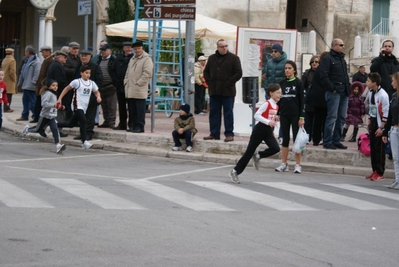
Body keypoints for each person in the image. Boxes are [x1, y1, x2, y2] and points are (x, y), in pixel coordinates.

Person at [229, 84, 281, 184]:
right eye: (278, 93)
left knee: (275, 148)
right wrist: (268, 122)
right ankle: (235, 171)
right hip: (260, 129)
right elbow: (257, 115)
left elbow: (270, 118)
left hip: (268, 131)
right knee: (249, 152)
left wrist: (272, 124)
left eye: (280, 93)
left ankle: (258, 155)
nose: (280, 95)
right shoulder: (267, 103)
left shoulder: (276, 106)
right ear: (271, 93)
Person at [203, 39, 242, 142]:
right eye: (222, 46)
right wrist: (209, 82)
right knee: (214, 112)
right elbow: (206, 71)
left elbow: (238, 73)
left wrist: (229, 82)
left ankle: (229, 134)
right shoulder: (211, 58)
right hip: (214, 90)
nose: (224, 48)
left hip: (228, 91)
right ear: (218, 48)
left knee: (228, 113)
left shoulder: (234, 58)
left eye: (226, 46)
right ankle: (214, 133)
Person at [56, 65, 102, 149]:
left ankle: (54, 124)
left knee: (70, 124)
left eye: (89, 73)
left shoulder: (91, 83)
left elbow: (96, 92)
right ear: (81, 73)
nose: (88, 75)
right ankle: (84, 141)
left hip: (84, 106)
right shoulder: (77, 82)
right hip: (77, 105)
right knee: (84, 120)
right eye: (86, 73)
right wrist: (60, 99)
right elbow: (66, 89)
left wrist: (98, 97)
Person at [318, 38, 350, 150]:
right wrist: (332, 88)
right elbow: (323, 76)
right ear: (334, 46)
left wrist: (348, 88)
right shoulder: (327, 59)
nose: (343, 47)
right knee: (332, 117)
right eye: (340, 45)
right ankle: (327, 141)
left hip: (344, 92)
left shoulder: (342, 59)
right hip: (334, 92)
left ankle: (336, 140)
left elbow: (345, 75)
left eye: (343, 45)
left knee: (341, 117)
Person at [275, 60, 306, 174]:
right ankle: (284, 163)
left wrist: (302, 117)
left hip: (295, 115)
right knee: (285, 139)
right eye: (286, 68)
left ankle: (298, 165)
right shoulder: (281, 83)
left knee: (297, 140)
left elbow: (302, 101)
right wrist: (277, 113)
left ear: (294, 70)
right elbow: (279, 99)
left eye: (289, 68)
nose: (287, 70)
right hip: (284, 114)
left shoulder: (298, 83)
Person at [21, 79, 66, 154]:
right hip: (44, 116)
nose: (55, 87)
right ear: (49, 86)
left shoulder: (54, 94)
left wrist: (60, 107)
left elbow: (54, 105)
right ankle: (27, 129)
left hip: (51, 116)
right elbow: (44, 104)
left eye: (56, 86)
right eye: (53, 85)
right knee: (37, 129)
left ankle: (58, 145)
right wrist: (54, 105)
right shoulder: (47, 93)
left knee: (55, 129)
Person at [72, 49, 103, 141]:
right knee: (82, 117)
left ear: (90, 57)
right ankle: (82, 133)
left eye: (86, 56)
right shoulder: (78, 66)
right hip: (80, 97)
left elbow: (99, 82)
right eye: (82, 55)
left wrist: (96, 94)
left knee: (90, 117)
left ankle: (88, 133)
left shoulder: (95, 67)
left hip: (91, 96)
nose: (83, 57)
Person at [124, 41, 153, 133]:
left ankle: (140, 126)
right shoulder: (132, 58)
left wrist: (139, 83)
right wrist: (126, 81)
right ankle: (132, 125)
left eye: (139, 48)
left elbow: (147, 73)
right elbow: (128, 71)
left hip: (139, 88)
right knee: (132, 109)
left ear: (142, 48)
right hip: (130, 87)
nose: (137, 50)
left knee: (140, 109)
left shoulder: (147, 59)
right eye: (135, 49)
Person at [365, 72, 389, 181]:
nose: (366, 82)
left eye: (368, 81)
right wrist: (370, 120)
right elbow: (372, 108)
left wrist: (382, 127)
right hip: (374, 121)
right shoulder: (371, 93)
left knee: (379, 149)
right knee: (373, 148)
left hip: (380, 124)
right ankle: (374, 170)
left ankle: (380, 172)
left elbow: (385, 112)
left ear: (374, 83)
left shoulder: (383, 95)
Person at [306, 51, 329, 146]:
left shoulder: (318, 70)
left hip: (317, 98)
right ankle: (319, 138)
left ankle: (316, 139)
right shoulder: (324, 70)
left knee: (318, 119)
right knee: (321, 119)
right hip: (322, 97)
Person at [46, 50, 69, 137]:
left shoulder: (55, 65)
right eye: (64, 58)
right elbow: (60, 81)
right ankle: (58, 130)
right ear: (59, 58)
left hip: (55, 92)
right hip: (59, 93)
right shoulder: (57, 66)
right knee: (60, 112)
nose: (66, 60)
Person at [17, 46, 41, 121]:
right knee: (25, 101)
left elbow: (37, 73)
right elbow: (22, 72)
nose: (24, 53)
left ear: (28, 52)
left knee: (32, 102)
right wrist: (20, 82)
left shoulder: (36, 61)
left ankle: (36, 116)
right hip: (25, 84)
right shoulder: (27, 60)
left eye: (25, 52)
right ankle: (24, 115)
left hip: (30, 85)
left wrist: (33, 82)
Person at [383, 72, 399, 189]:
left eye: (393, 80)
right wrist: (385, 131)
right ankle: (397, 179)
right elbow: (389, 115)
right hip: (394, 129)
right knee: (396, 157)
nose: (392, 83)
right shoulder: (394, 96)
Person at [113, 42, 133, 130]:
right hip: (120, 86)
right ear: (123, 48)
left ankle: (131, 124)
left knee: (131, 107)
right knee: (121, 107)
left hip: (130, 86)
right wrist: (116, 81)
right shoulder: (118, 59)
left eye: (130, 47)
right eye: (127, 47)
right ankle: (122, 124)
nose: (129, 49)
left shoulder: (134, 59)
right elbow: (113, 70)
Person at [97, 43, 117, 128]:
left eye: (105, 50)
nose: (103, 52)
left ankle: (111, 122)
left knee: (111, 105)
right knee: (104, 105)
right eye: (102, 50)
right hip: (102, 86)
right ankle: (106, 121)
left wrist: (115, 83)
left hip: (111, 86)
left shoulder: (114, 60)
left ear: (110, 51)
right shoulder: (99, 60)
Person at [32, 46, 54, 123]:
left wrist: (43, 82)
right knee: (37, 102)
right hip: (40, 84)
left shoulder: (50, 61)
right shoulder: (46, 60)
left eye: (43, 52)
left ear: (48, 52)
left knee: (41, 103)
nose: (42, 54)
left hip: (43, 85)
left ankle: (39, 118)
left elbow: (48, 73)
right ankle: (36, 117)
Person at [302, 55, 319, 143]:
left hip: (319, 100)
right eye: (312, 62)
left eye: (316, 62)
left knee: (317, 121)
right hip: (309, 99)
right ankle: (307, 137)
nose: (314, 63)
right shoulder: (307, 73)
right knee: (308, 120)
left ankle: (317, 138)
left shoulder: (322, 73)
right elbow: (302, 86)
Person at [1, 48, 16, 113]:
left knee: (5, 93)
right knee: (9, 94)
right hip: (9, 79)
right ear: (12, 53)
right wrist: (14, 79)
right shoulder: (12, 60)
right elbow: (12, 71)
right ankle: (7, 107)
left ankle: (6, 107)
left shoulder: (4, 60)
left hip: (4, 79)